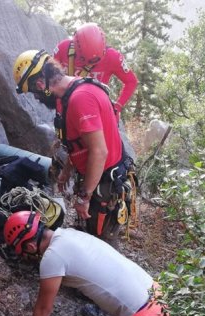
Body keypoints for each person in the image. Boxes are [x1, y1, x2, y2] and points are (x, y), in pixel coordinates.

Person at [2, 211, 172, 316]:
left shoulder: (53, 257)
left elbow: (43, 308)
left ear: (30, 247)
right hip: (152, 290)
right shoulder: (66, 234)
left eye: (23, 252)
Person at [13, 49, 132, 242]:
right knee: (92, 235)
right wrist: (67, 170)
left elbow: (99, 151)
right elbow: (82, 144)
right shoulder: (72, 91)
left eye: (34, 93)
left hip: (104, 184)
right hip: (98, 179)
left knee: (102, 243)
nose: (37, 98)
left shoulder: (80, 99)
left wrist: (84, 197)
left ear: (40, 84)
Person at [53, 23, 138, 118]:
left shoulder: (113, 57)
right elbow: (50, 77)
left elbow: (131, 81)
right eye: (85, 60)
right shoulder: (63, 49)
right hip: (65, 109)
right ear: (77, 49)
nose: (92, 64)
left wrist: (118, 106)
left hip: (95, 111)